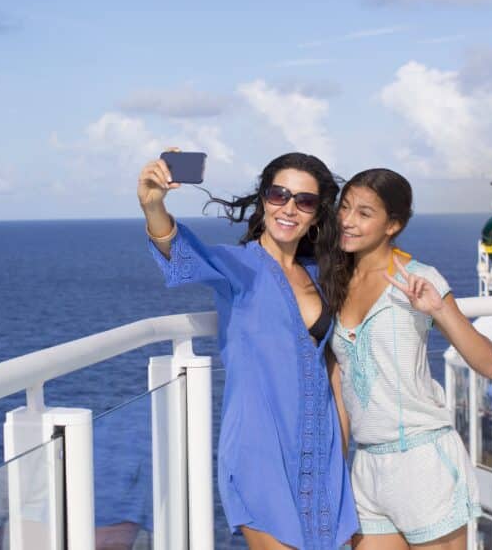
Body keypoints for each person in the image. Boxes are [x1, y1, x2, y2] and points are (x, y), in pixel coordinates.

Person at [139, 151, 359, 550]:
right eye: (279, 195)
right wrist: (153, 205)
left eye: (304, 201)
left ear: (316, 213)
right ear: (263, 199)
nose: (289, 208)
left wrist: (339, 450)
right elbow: (180, 253)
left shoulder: (321, 275)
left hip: (320, 454)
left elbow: (331, 369)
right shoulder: (237, 266)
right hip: (259, 452)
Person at [328, 169, 492, 550]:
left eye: (364, 213)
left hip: (423, 462)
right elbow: (339, 386)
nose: (348, 221)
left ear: (393, 225)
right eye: (345, 208)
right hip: (367, 467)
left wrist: (438, 310)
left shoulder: (420, 279)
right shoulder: (336, 284)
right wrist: (334, 472)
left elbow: (490, 364)